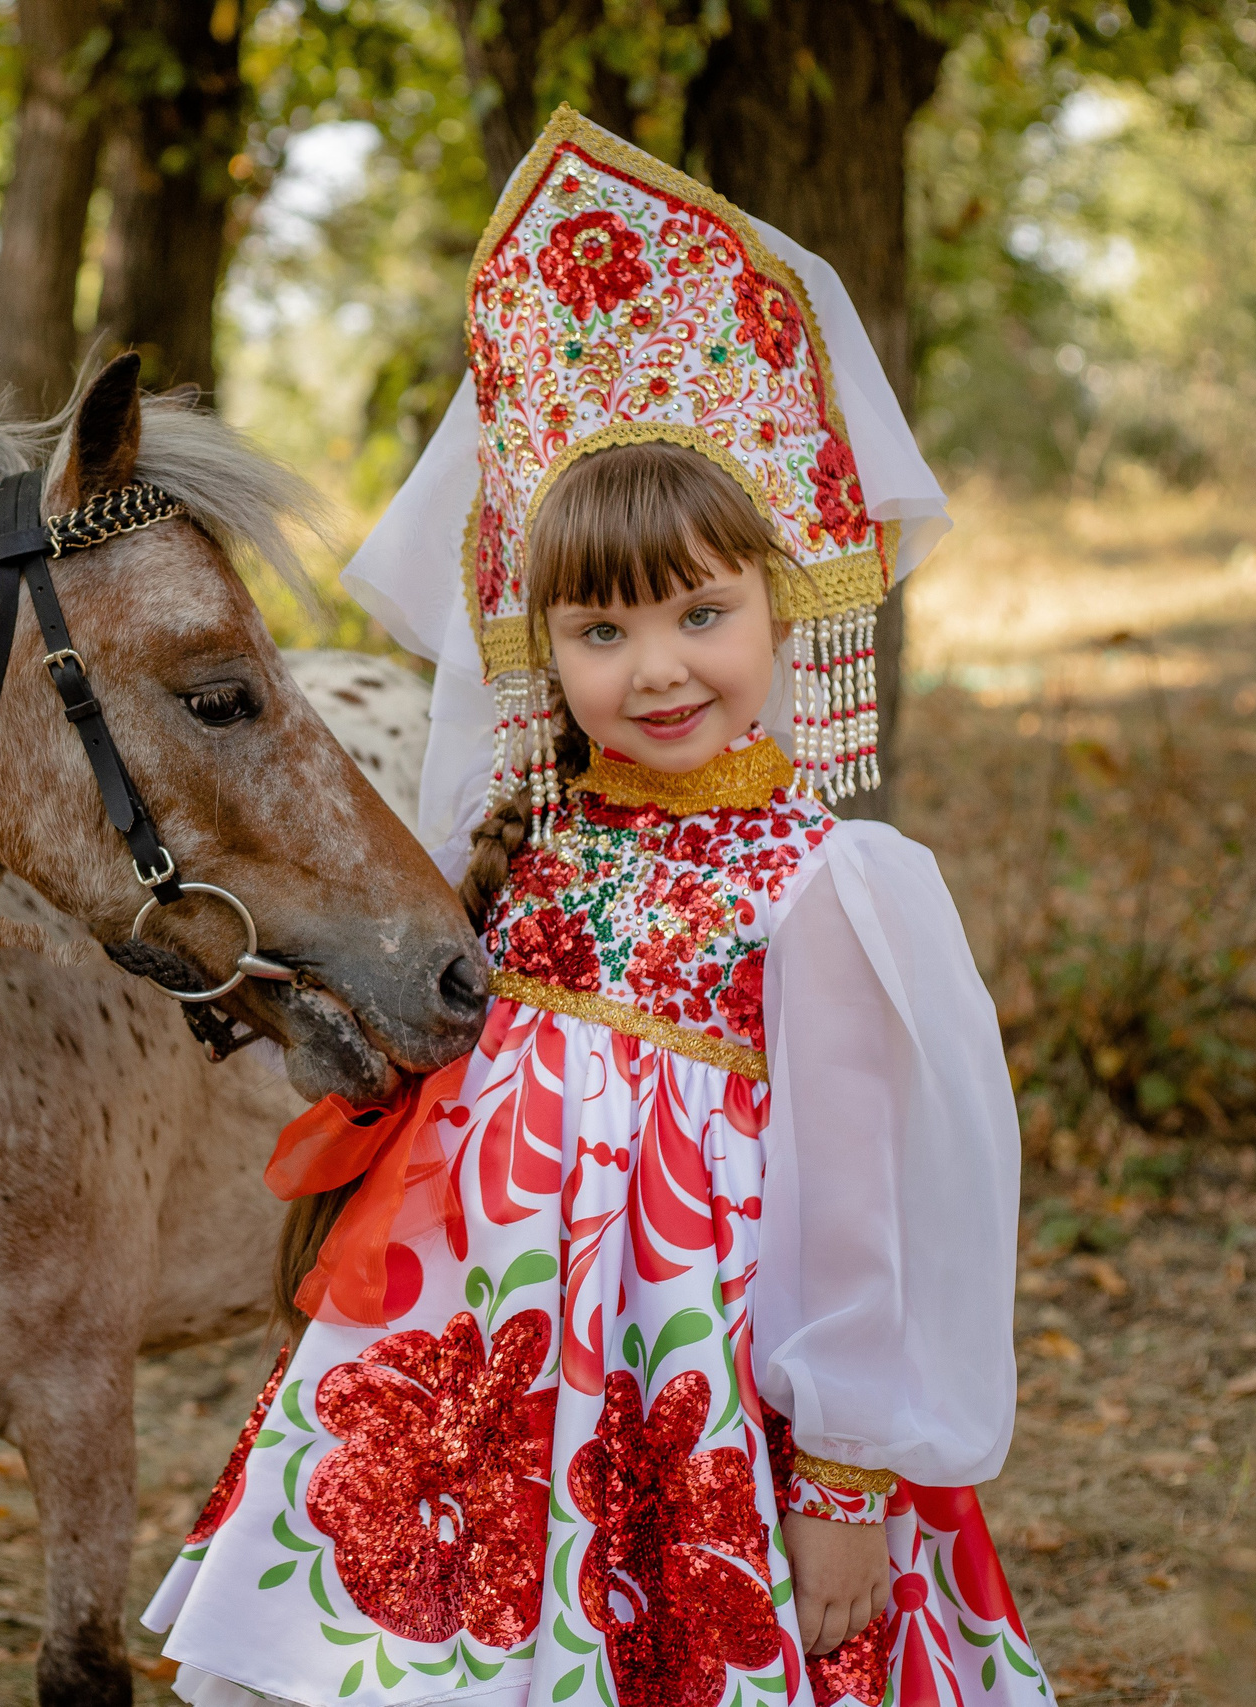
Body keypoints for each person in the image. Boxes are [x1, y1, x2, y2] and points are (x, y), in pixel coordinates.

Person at [144, 105, 1046, 1707]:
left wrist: (844, 1488)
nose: (659, 671)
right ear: (541, 653)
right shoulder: (523, 850)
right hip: (490, 1379)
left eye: (704, 614)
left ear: (787, 612)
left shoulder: (833, 886)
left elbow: (861, 1205)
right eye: (603, 633)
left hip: (701, 1391)